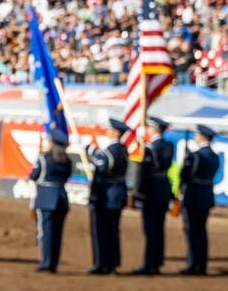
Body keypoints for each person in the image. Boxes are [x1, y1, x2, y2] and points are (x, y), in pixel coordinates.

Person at [83, 126, 130, 274]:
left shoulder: (113, 150)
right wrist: (92, 150)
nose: (107, 131)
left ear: (115, 133)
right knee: (112, 230)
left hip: (106, 196)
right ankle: (111, 263)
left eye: (110, 129)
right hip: (115, 195)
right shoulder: (121, 148)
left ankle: (102, 263)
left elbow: (102, 166)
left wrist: (90, 150)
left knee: (101, 230)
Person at [133, 115, 176, 275]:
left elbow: (144, 173)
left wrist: (139, 194)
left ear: (155, 129)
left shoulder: (151, 148)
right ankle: (157, 261)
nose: (148, 130)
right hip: (163, 189)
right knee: (159, 228)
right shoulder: (168, 145)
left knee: (150, 230)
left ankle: (149, 264)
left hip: (151, 191)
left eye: (150, 127)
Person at [28, 132, 74, 273]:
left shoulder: (44, 159)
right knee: (57, 233)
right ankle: (53, 263)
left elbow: (33, 176)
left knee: (45, 232)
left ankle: (45, 262)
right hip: (61, 198)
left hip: (46, 197)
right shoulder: (67, 161)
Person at [179, 125, 222, 276]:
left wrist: (186, 161)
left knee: (192, 231)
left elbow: (184, 175)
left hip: (193, 196)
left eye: (197, 135)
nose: (195, 137)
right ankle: (201, 264)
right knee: (201, 231)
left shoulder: (196, 156)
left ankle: (193, 264)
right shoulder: (214, 156)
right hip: (206, 196)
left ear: (202, 136)